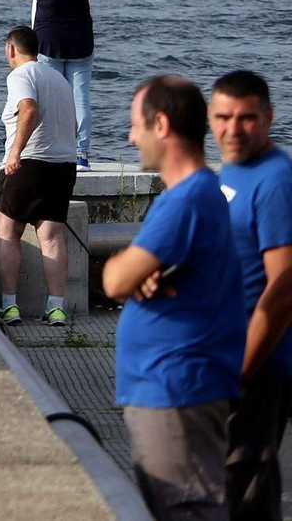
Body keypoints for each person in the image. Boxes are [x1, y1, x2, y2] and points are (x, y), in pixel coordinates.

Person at [104, 76, 247, 521]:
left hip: (177, 390)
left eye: (135, 126)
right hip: (174, 387)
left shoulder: (186, 200)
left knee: (191, 509)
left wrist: (130, 271)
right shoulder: (201, 193)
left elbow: (112, 279)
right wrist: (143, 274)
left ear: (161, 125)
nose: (130, 137)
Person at [211, 71, 292, 521]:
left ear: (268, 118)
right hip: (221, 357)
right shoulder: (236, 169)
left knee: (247, 491)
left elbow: (283, 289)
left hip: (256, 367)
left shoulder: (275, 182)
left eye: (246, 119)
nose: (233, 129)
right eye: (223, 117)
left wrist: (240, 370)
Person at [0, 26, 80, 327]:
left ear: (10, 49)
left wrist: (15, 152)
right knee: (53, 238)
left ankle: (9, 305)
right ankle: (56, 308)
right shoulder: (59, 78)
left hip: (29, 162)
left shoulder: (20, 75)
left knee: (7, 232)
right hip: (63, 164)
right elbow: (75, 125)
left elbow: (28, 110)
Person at [23, 0, 99, 167]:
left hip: (48, 41)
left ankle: (50, 147)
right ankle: (81, 153)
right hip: (81, 40)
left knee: (48, 97)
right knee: (81, 99)